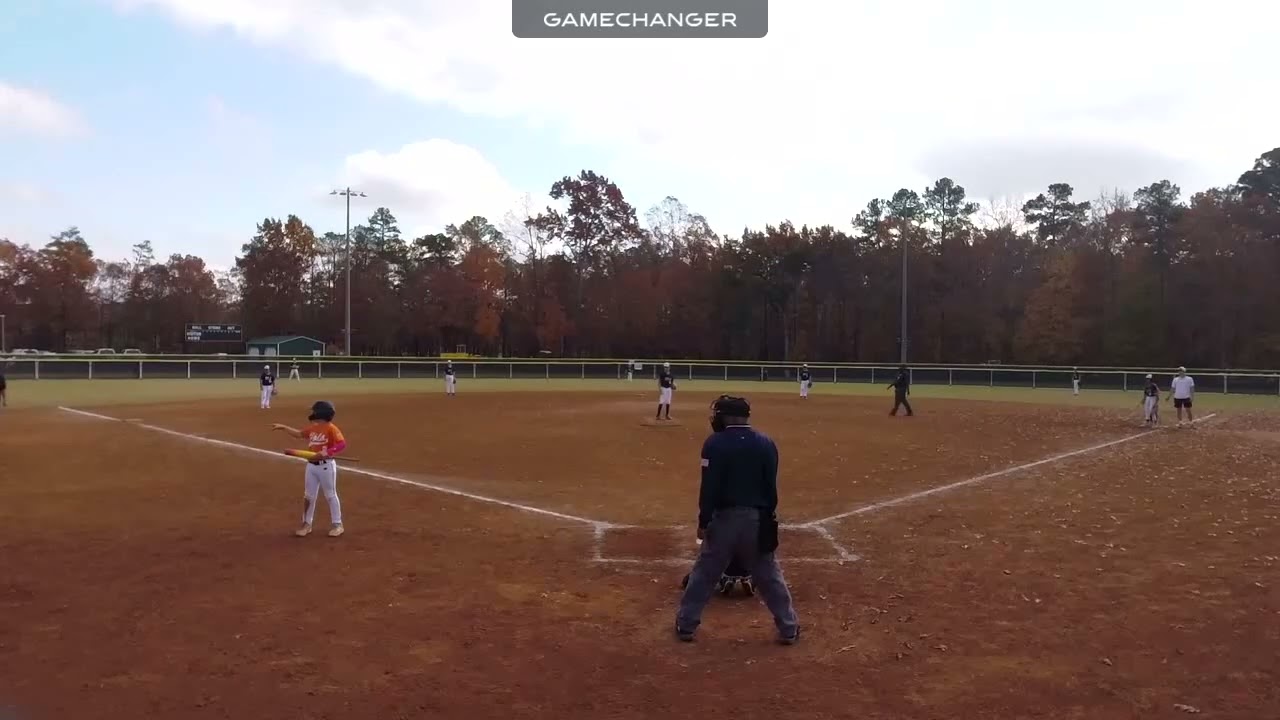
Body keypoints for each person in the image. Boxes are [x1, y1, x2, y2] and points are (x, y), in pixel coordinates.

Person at [675, 395, 800, 644]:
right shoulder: (766, 443)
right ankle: (788, 628)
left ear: (728, 417)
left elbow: (709, 487)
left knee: (704, 574)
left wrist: (704, 520)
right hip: (757, 519)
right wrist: (767, 518)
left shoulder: (715, 443)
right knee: (769, 575)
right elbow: (770, 486)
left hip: (724, 520)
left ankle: (686, 625)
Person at [272, 400, 346, 537]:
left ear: (321, 413)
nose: (312, 413)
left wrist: (326, 452)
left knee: (330, 495)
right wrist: (283, 427)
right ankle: (307, 524)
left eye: (314, 411)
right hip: (311, 466)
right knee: (309, 496)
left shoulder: (331, 428)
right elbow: (299, 434)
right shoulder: (313, 428)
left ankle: (338, 524)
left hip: (326, 467)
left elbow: (341, 444)